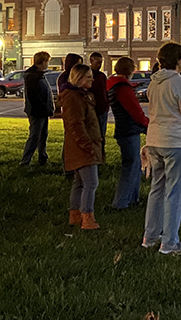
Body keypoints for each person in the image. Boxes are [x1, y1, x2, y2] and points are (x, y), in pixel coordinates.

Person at [143, 42, 181, 254]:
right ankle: (169, 242)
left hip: (155, 139)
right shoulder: (179, 84)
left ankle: (150, 235)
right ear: (177, 60)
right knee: (174, 192)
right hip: (176, 140)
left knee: (157, 188)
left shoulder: (154, 83)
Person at [61, 63, 103, 230]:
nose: (92, 79)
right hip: (83, 147)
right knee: (91, 183)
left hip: (82, 145)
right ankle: (87, 217)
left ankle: (76, 215)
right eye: (88, 76)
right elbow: (76, 124)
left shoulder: (81, 95)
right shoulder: (74, 97)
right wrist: (88, 145)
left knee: (79, 182)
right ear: (78, 78)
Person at [107, 57, 149, 209]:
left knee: (134, 165)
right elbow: (135, 111)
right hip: (129, 129)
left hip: (124, 128)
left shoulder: (114, 85)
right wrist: (146, 123)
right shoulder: (123, 89)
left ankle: (132, 199)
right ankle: (122, 202)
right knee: (131, 166)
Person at [21, 51, 55, 166]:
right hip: (37, 111)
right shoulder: (33, 77)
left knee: (43, 135)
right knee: (35, 136)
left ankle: (42, 157)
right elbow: (33, 95)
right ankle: (26, 161)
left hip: (42, 110)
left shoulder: (38, 74)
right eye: (47, 62)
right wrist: (43, 106)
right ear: (43, 62)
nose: (47, 64)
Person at [88, 52, 111, 145]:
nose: (99, 65)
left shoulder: (102, 76)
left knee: (102, 135)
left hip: (102, 109)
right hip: (93, 109)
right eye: (97, 62)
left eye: (101, 62)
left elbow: (105, 90)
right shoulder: (88, 75)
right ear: (91, 61)